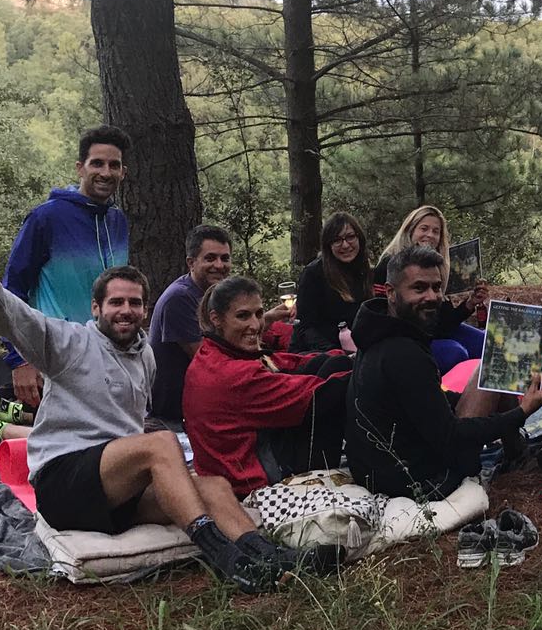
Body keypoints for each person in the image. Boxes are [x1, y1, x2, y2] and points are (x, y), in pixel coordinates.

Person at [0, 236, 303, 592]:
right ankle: (226, 558)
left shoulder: (144, 354)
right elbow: (13, 317)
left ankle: (267, 555)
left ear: (145, 310)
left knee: (213, 484)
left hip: (115, 490)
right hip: (64, 483)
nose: (126, 310)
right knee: (159, 442)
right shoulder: (68, 343)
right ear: (96, 308)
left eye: (135, 303)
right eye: (116, 302)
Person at [347, 244, 542, 500]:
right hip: (416, 478)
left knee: (493, 366)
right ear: (390, 292)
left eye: (436, 287)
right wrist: (523, 411)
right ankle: (518, 453)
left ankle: (516, 452)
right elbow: (452, 436)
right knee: (493, 369)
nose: (432, 297)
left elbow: (420, 399)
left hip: (382, 466)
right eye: (419, 288)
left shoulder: (377, 330)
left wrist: (456, 398)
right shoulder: (402, 352)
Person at [183, 276, 355, 498]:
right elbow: (317, 392)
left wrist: (347, 357)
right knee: (335, 389)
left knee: (332, 364)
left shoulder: (212, 352)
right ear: (216, 318)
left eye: (258, 314)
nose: (255, 325)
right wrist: (368, 369)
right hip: (250, 479)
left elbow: (283, 362)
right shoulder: (232, 374)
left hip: (234, 462)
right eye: (242, 316)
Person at [1, 125, 132, 409]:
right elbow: (11, 290)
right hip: (56, 356)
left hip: (108, 359)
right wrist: (19, 359)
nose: (106, 172)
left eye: (114, 165)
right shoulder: (46, 219)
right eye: (97, 163)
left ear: (124, 172)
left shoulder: (118, 222)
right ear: (80, 168)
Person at [372, 206, 488, 373]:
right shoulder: (390, 265)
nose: (430, 235)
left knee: (487, 344)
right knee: (455, 353)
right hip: (402, 339)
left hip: (433, 333)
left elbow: (443, 323)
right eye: (424, 228)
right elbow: (382, 317)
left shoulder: (435, 267)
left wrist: (470, 304)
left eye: (436, 231)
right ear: (410, 230)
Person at [146, 224, 233, 422]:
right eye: (210, 258)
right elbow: (207, 360)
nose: (219, 265)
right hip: (176, 413)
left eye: (225, 258)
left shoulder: (213, 295)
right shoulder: (180, 299)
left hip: (205, 397)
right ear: (191, 263)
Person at [291, 212, 372, 354]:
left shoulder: (364, 270)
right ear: (328, 245)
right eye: (337, 240)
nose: (345, 245)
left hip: (359, 349)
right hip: (322, 353)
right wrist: (335, 353)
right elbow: (305, 327)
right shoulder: (314, 274)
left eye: (350, 237)